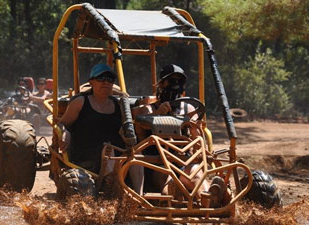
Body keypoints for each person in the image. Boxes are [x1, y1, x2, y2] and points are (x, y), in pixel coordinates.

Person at [133, 64, 228, 206]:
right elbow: (141, 124)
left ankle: (208, 198)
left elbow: (197, 140)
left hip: (184, 161)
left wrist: (195, 127)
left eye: (180, 81)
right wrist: (158, 115)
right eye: (172, 80)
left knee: (196, 175)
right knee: (167, 179)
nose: (176, 85)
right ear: (161, 84)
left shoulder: (188, 108)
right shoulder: (149, 108)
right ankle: (175, 194)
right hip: (158, 163)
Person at [58, 63, 143, 194]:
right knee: (109, 150)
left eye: (109, 79)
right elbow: (62, 123)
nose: (106, 83)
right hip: (87, 152)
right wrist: (65, 133)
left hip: (114, 151)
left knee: (136, 152)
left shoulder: (118, 105)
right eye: (101, 79)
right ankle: (110, 188)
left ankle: (139, 196)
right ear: (91, 82)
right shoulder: (81, 102)